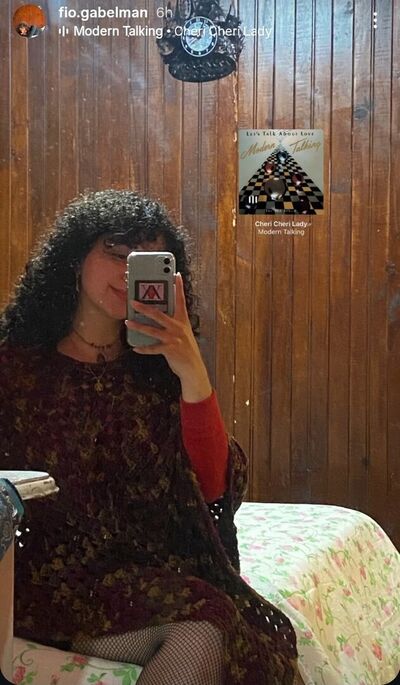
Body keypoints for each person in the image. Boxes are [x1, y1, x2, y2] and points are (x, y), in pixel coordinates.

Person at [0, 190, 302, 685]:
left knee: (217, 619)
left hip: (141, 578)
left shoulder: (161, 371)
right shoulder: (17, 371)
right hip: (47, 585)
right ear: (76, 258)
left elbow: (213, 489)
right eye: (115, 254)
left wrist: (192, 371)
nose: (127, 273)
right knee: (207, 625)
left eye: (145, 263)